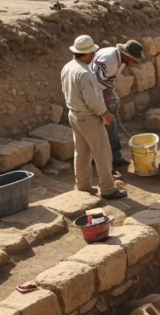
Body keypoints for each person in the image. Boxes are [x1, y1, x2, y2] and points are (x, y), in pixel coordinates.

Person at [61, 35, 126, 199]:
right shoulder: (84, 74)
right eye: (93, 53)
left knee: (81, 152)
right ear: (88, 53)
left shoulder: (68, 67)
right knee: (102, 153)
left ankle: (83, 185)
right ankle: (108, 188)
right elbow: (92, 101)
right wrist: (105, 114)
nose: (95, 55)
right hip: (89, 118)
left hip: (74, 115)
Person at [90, 40, 146, 169]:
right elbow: (94, 82)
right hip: (93, 94)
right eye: (135, 60)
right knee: (103, 124)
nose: (136, 63)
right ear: (128, 56)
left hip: (102, 91)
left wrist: (112, 96)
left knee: (111, 122)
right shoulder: (108, 59)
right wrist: (107, 100)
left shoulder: (119, 59)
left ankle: (114, 156)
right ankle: (100, 159)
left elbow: (109, 80)